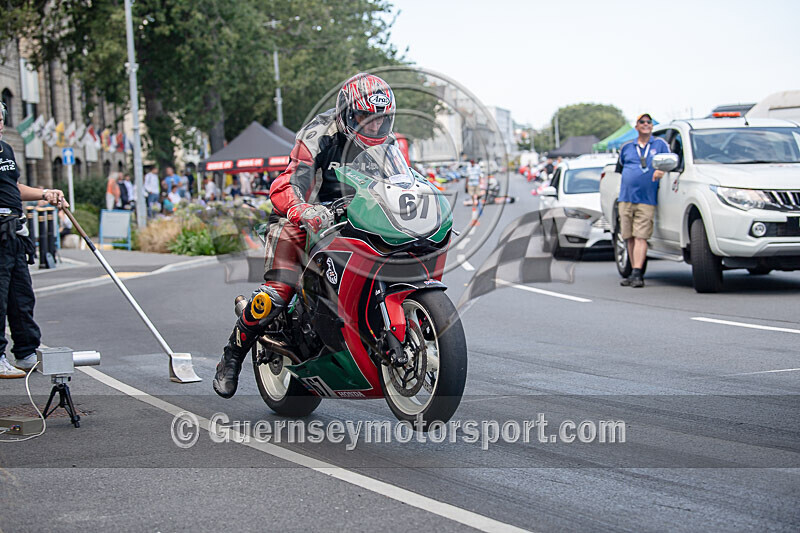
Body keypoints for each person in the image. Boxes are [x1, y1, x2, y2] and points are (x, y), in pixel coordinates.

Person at [213, 72, 396, 398]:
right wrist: (302, 209)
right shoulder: (318, 133)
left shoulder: (389, 144)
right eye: (364, 116)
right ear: (346, 112)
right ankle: (232, 354)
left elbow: (402, 183)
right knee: (279, 291)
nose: (372, 126)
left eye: (379, 119)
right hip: (302, 218)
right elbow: (288, 183)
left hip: (355, 217)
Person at [0, 103, 68, 378]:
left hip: (15, 232)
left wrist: (44, 193)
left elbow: (13, 187)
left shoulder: (5, 149)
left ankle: (26, 353)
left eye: (0, 118)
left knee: (21, 296)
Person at [616, 113, 671, 288]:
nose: (646, 124)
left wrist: (661, 171)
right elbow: (620, 168)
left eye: (649, 122)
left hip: (646, 198)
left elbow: (670, 163)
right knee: (629, 236)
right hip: (626, 197)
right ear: (636, 126)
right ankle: (633, 271)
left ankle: (638, 272)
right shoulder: (627, 147)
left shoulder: (660, 145)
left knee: (641, 236)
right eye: (642, 122)